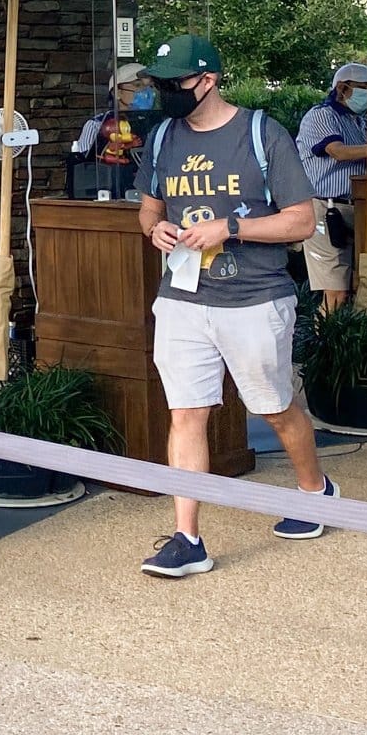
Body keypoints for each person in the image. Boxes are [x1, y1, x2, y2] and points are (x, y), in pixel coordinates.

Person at [135, 35, 333, 578]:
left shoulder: (262, 133)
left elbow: (301, 221)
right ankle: (187, 536)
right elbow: (148, 211)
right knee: (186, 412)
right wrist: (157, 230)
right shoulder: (160, 141)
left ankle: (315, 489)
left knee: (272, 407)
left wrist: (232, 226)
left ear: (208, 80)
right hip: (182, 295)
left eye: (174, 84)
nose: (165, 94)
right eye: (160, 84)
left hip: (253, 297)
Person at [296, 63, 367, 311]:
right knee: (335, 289)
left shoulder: (366, 123)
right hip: (328, 210)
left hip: (363, 210)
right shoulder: (321, 115)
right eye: (365, 89)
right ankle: (327, 344)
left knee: (362, 283)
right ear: (343, 88)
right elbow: (336, 151)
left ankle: (356, 340)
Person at [76, 62, 154, 162]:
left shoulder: (157, 125)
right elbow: (85, 166)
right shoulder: (97, 125)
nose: (146, 92)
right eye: (138, 85)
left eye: (150, 86)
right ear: (117, 92)